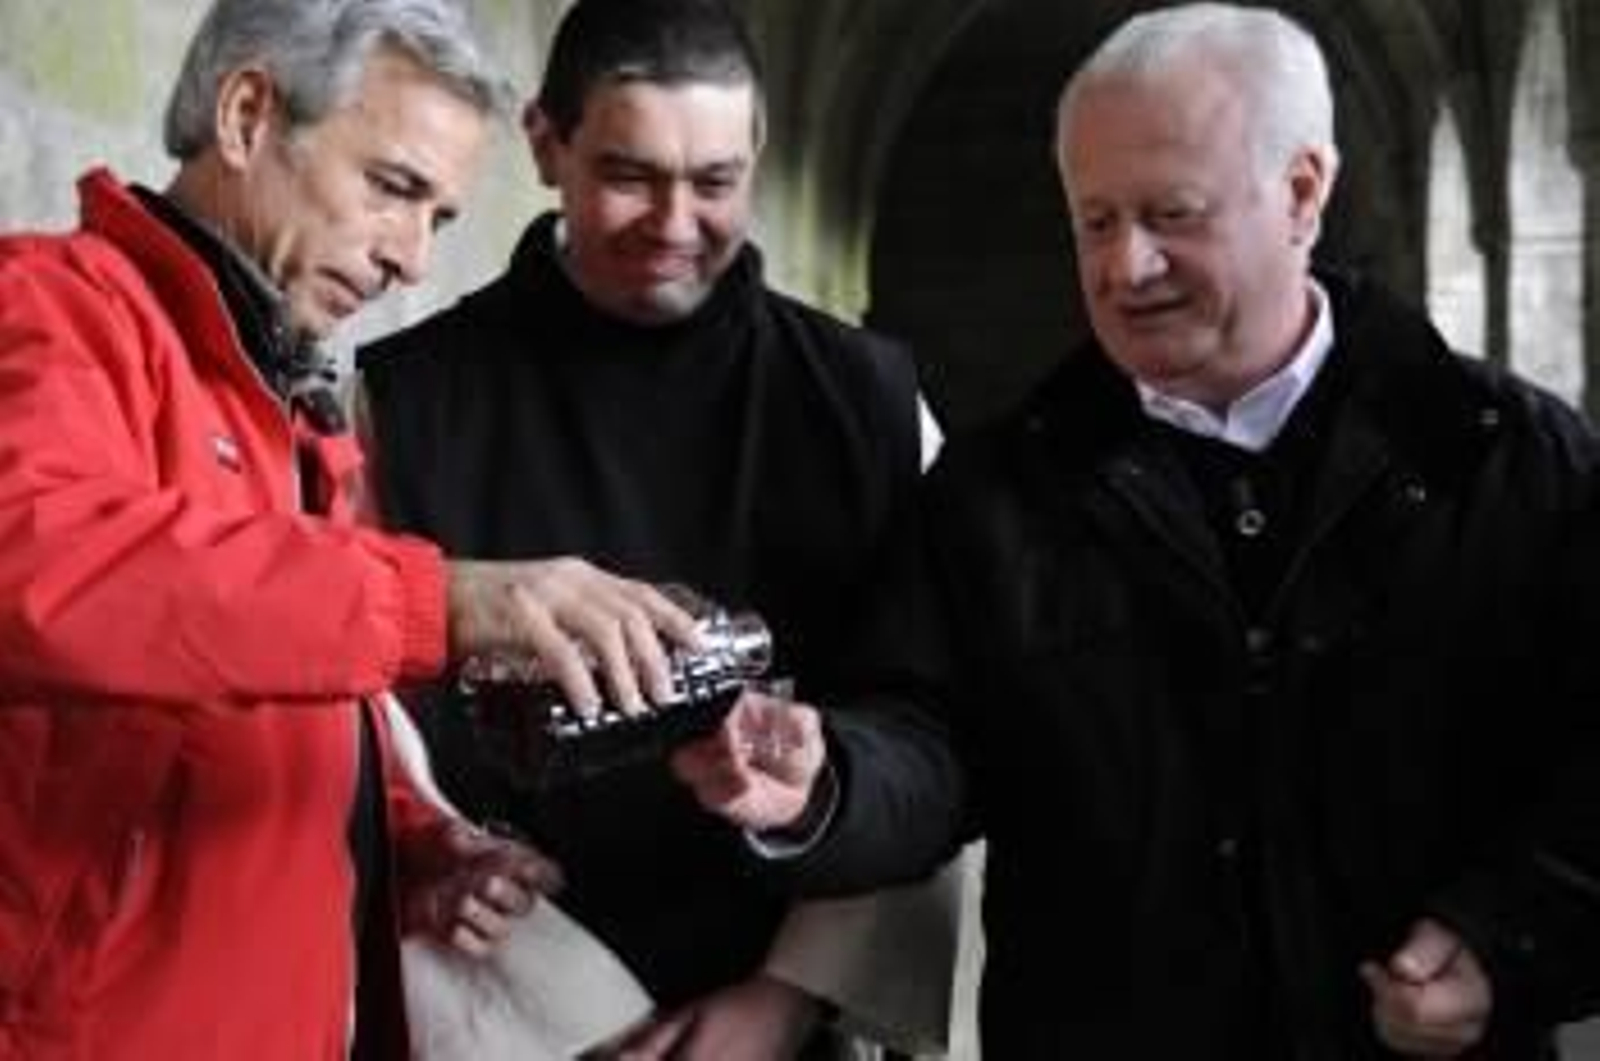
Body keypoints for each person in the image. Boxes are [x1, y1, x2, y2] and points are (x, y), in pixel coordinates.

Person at [672, 4, 1600, 1058]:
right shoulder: (996, 491)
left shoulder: (1507, 458)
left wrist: (1507, 939)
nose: (1125, 266)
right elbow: (926, 737)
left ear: (1302, 192)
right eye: (1095, 220)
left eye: (1171, 214)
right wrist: (826, 781)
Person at [0, 1, 701, 1058]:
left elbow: (248, 701)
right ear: (247, 115)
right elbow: (40, 568)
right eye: (394, 187)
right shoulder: (48, 305)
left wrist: (405, 845)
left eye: (439, 219)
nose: (412, 260)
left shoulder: (289, 404)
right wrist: (439, 598)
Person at [356, 0, 956, 1056]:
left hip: (790, 1013)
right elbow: (369, 733)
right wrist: (460, 891)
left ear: (756, 156)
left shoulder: (869, 402)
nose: (676, 223)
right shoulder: (406, 400)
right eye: (630, 175)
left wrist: (789, 995)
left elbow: (935, 723)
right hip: (498, 1003)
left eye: (715, 182)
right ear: (547, 144)